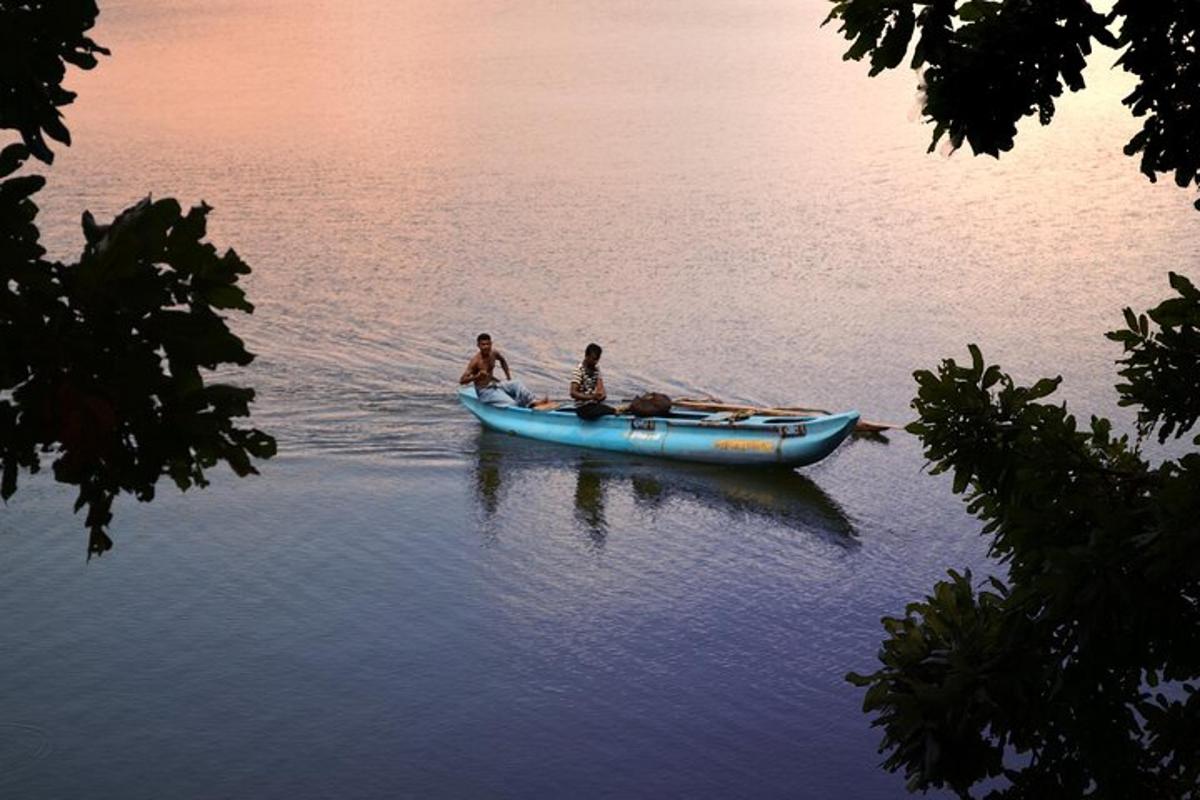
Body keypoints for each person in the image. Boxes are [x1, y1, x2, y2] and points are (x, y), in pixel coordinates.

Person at [460, 333, 543, 407]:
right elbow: (462, 381)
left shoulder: (493, 353)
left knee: (517, 383)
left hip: (495, 385)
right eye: (483, 344)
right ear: (478, 345)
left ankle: (533, 402)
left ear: (491, 344)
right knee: (512, 403)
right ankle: (520, 405)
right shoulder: (475, 361)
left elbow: (502, 361)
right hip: (484, 391)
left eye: (488, 344)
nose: (486, 347)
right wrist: (477, 377)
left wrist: (508, 378)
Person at [570, 343, 616, 420]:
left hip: (593, 405)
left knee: (607, 409)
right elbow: (573, 393)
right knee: (610, 410)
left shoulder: (596, 369)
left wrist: (601, 396)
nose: (595, 362)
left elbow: (601, 388)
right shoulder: (578, 371)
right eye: (593, 359)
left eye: (597, 359)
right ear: (586, 356)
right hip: (582, 407)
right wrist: (592, 397)